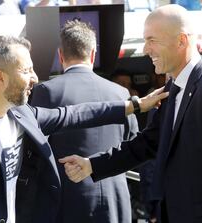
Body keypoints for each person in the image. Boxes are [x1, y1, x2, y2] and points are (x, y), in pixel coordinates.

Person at [0, 35, 167, 223]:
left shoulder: (19, 113)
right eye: (25, 70)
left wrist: (134, 106)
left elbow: (73, 115)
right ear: (0, 77)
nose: (35, 78)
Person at [59, 4, 202, 223]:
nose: (146, 49)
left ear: (182, 40)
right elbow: (148, 143)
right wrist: (92, 165)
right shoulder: (173, 87)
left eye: (152, 40)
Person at [30, 20, 138, 223]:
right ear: (93, 54)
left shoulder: (46, 92)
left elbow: (35, 151)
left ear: (60, 55)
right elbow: (132, 145)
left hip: (67, 203)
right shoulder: (121, 94)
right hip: (115, 201)